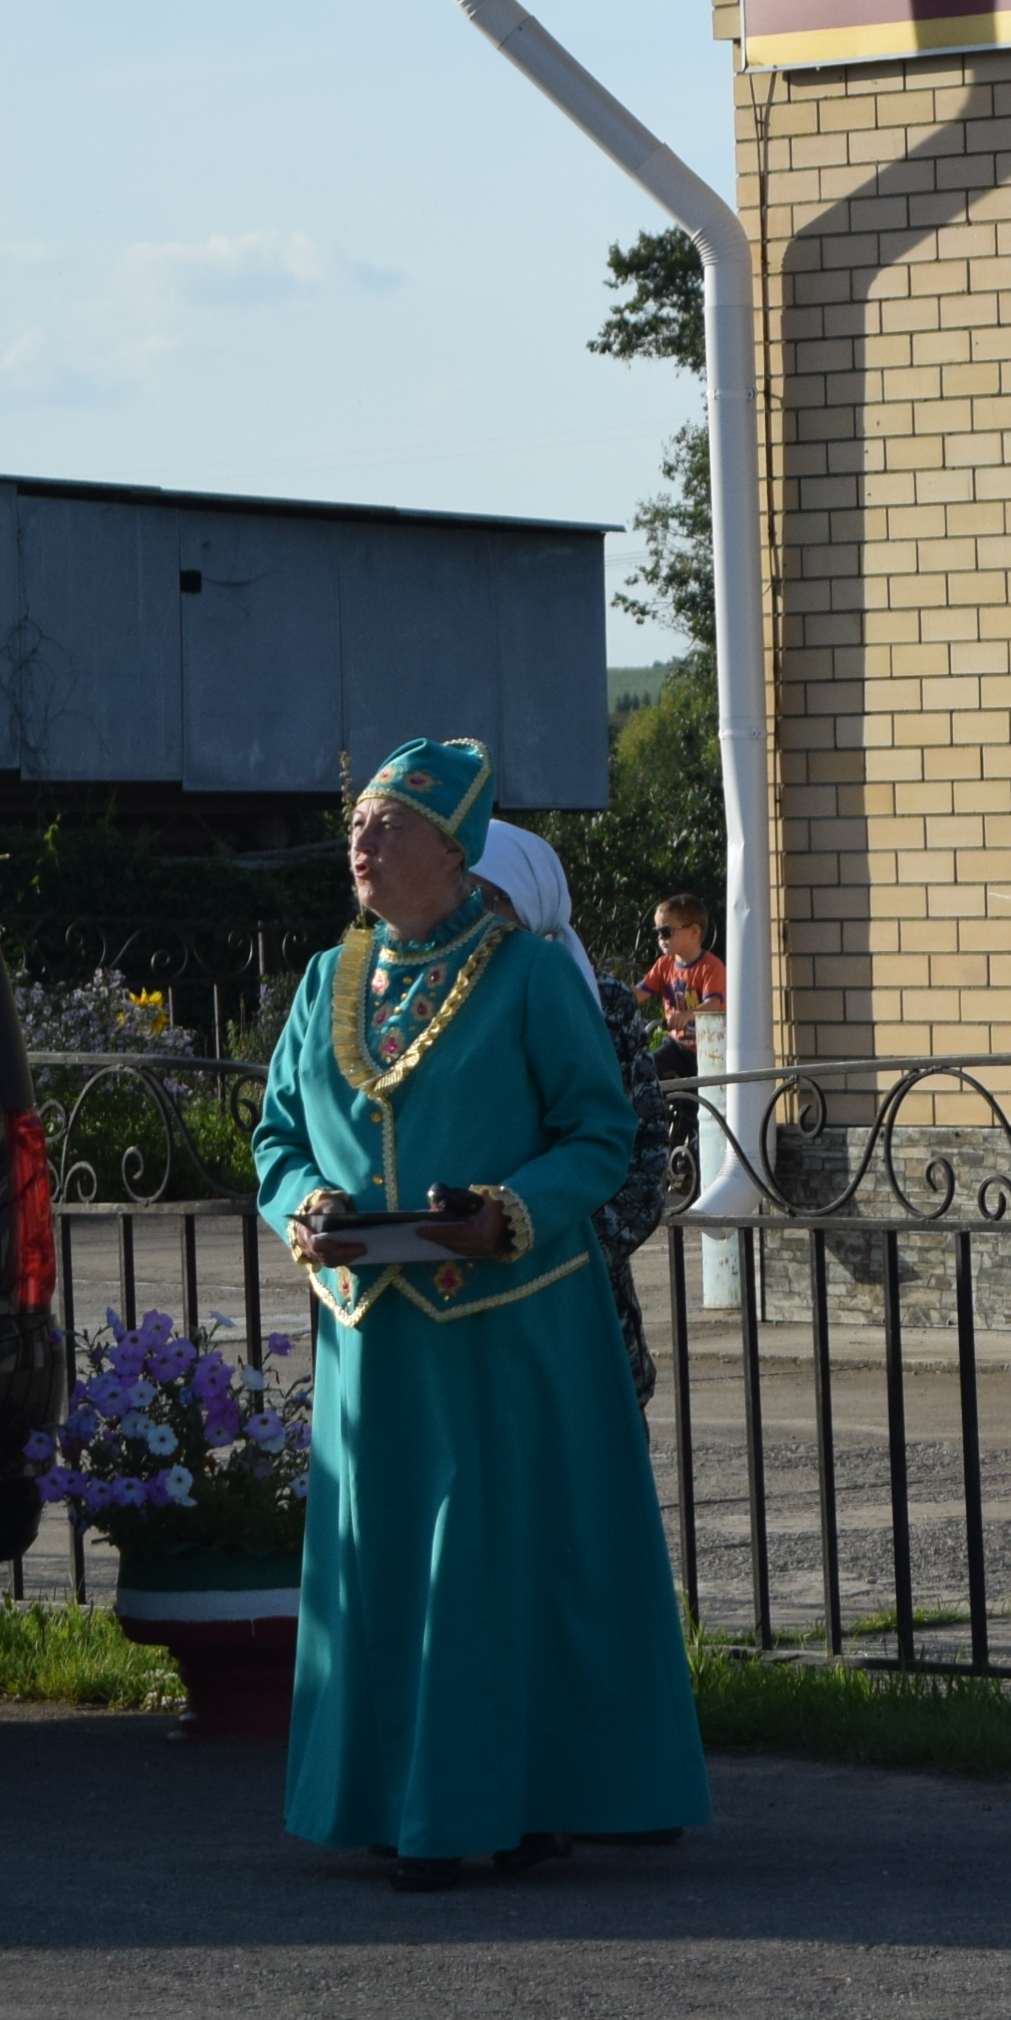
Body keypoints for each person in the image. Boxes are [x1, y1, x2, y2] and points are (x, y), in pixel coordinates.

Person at [250, 738, 710, 1891]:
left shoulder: (526, 974)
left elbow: (600, 1137)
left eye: (387, 824)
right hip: (374, 1335)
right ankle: (401, 1800)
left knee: (488, 1568)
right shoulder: (325, 980)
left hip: (505, 1321)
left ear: (453, 852)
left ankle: (483, 1811)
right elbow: (276, 1138)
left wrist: (506, 1212)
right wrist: (304, 1201)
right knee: (386, 1567)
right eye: (357, 823)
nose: (361, 842)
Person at [476, 823, 681, 1403]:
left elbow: (641, 1162)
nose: (475, 917)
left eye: (490, 899)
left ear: (531, 902)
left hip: (582, 1300)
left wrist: (561, 1249)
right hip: (474, 1303)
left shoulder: (602, 999)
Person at [639, 895, 724, 1078]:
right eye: (657, 932)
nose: (660, 938)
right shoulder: (664, 965)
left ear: (694, 932)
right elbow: (640, 992)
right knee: (648, 1068)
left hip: (709, 1050)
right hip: (676, 1045)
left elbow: (713, 1004)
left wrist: (686, 1015)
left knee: (698, 1098)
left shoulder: (711, 966)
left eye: (666, 931)